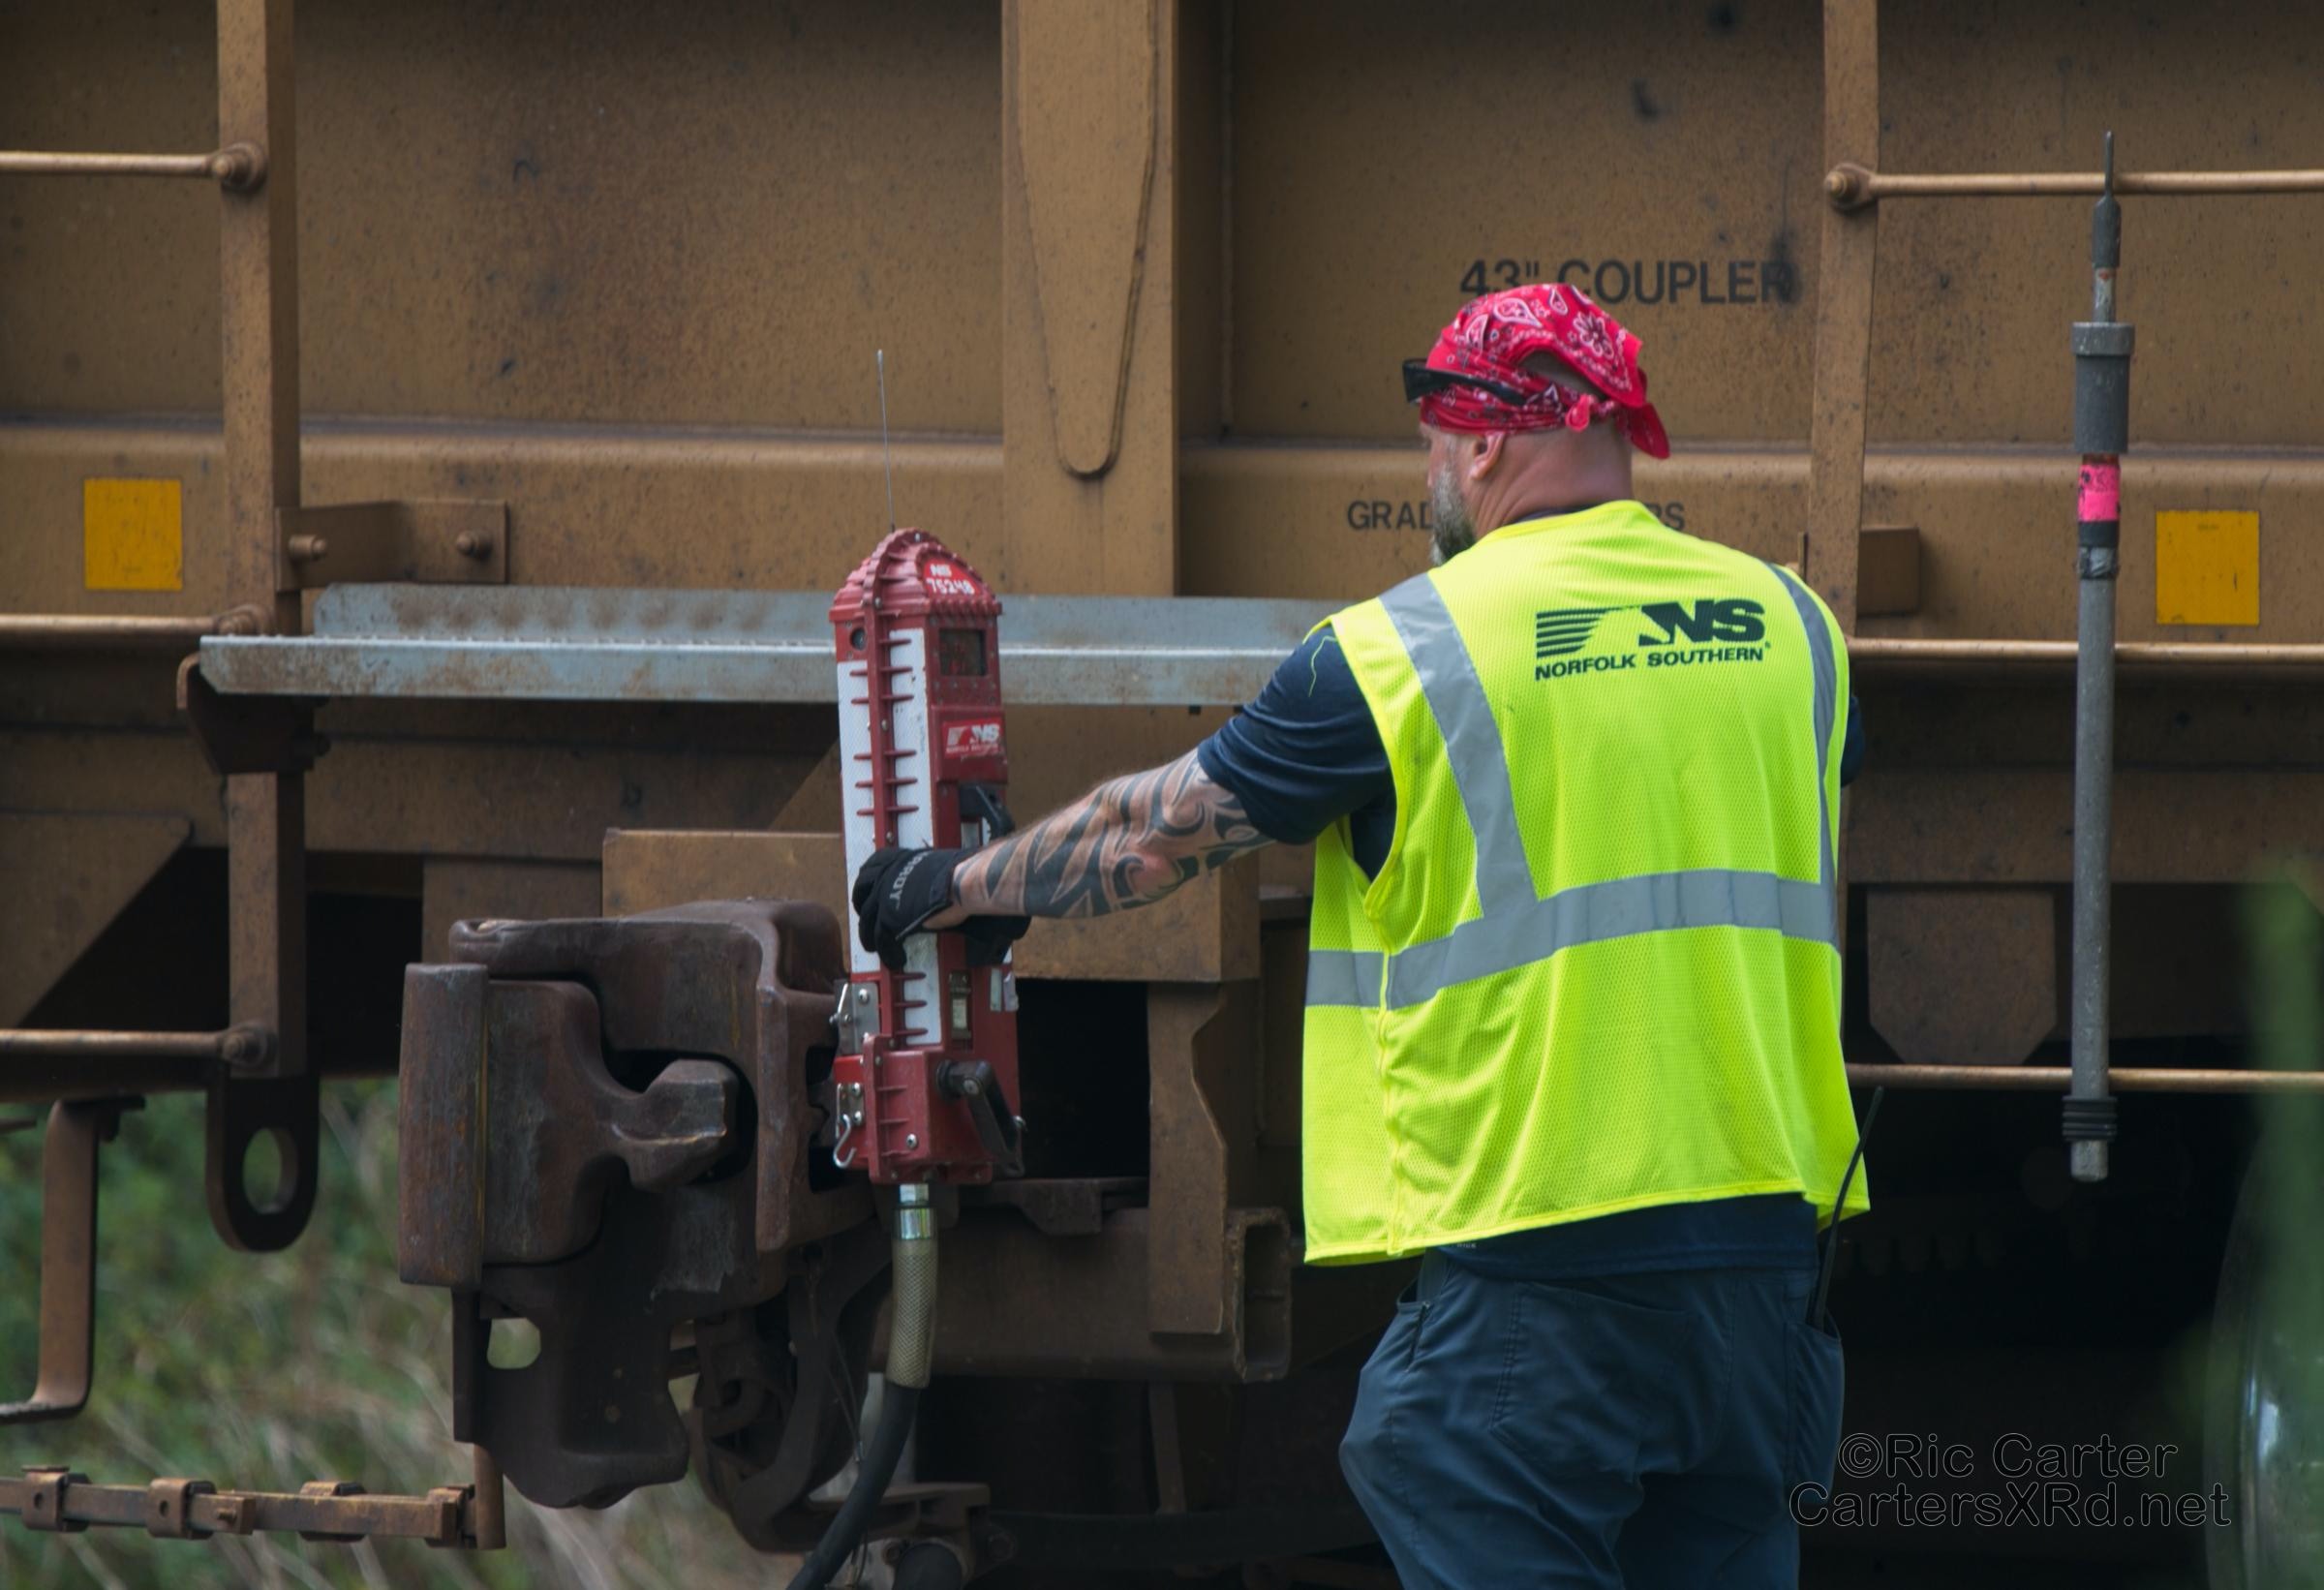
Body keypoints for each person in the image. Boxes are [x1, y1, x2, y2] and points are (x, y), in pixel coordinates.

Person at [852, 283, 1867, 1589]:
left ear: (1486, 441)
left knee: (1435, 1458)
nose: (1427, 465)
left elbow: (1150, 838)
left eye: (1434, 436)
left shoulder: (1406, 652)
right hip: (1765, 1266)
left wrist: (954, 883)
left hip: (1543, 1255)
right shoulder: (1792, 626)